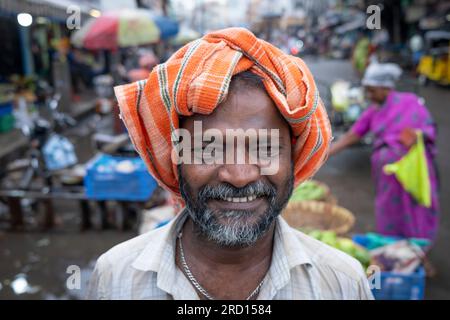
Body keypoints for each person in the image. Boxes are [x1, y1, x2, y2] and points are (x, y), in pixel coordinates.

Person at [87, 28, 373, 300]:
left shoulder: (341, 282)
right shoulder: (116, 278)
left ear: (293, 157)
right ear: (176, 159)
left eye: (266, 148)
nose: (239, 175)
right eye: (208, 149)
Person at [329, 63, 440, 243]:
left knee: (416, 210)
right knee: (389, 213)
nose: (369, 95)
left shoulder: (410, 101)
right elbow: (352, 135)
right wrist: (325, 153)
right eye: (367, 91)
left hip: (413, 172)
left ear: (385, 87)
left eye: (372, 91)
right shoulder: (373, 111)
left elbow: (429, 127)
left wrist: (418, 135)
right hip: (388, 177)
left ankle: (420, 253)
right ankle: (393, 250)